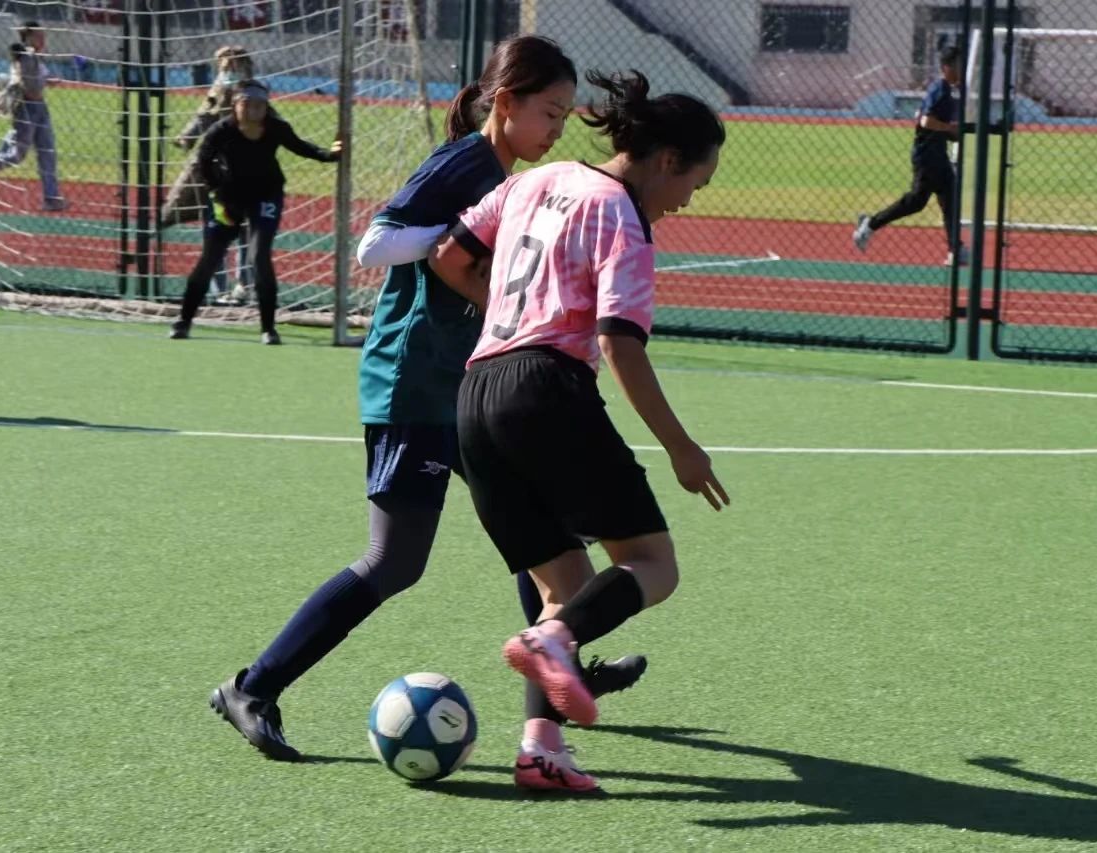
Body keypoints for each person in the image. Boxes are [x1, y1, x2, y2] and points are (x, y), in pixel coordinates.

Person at [208, 37, 645, 768]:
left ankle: (562, 661)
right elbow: (376, 245)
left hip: (467, 383)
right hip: (414, 382)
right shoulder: (465, 164)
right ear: (506, 102)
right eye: (549, 111)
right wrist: (457, 244)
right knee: (396, 560)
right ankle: (252, 687)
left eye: (566, 116)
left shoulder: (502, 173)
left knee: (538, 528)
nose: (557, 128)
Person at [430, 69, 729, 793]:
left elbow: (449, 256)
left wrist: (512, 318)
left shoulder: (535, 180)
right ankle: (554, 642)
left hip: (477, 394)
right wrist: (681, 448)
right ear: (667, 159)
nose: (689, 199)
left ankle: (541, 749)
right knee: (653, 564)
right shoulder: (622, 216)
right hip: (546, 391)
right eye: (695, 181)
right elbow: (620, 343)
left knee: (566, 584)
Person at [170, 80, 340, 344]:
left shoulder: (276, 127)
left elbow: (300, 146)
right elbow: (203, 162)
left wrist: (329, 154)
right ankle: (183, 321)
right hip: (227, 199)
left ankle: (268, 328)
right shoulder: (221, 130)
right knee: (210, 258)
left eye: (259, 105)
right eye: (247, 104)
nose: (253, 110)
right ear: (235, 106)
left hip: (265, 196)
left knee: (259, 256)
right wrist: (217, 193)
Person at [853, 45, 966, 266]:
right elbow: (925, 120)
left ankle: (956, 249)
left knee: (950, 200)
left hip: (939, 154)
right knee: (916, 201)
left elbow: (935, 121)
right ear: (947, 67)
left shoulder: (953, 90)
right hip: (926, 155)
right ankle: (870, 224)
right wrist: (950, 129)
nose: (962, 69)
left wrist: (952, 134)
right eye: (959, 65)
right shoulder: (940, 88)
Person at [162, 46, 257, 304]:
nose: (225, 70)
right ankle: (224, 289)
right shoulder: (222, 89)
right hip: (219, 170)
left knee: (242, 229)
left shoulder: (251, 91)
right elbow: (205, 116)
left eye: (228, 65)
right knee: (219, 227)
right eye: (223, 66)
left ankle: (242, 286)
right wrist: (187, 137)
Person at [0, 21, 65, 211]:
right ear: (28, 37)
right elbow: (29, 85)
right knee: (16, 155)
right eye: (39, 36)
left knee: (47, 153)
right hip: (27, 109)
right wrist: (43, 79)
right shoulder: (26, 56)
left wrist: (48, 80)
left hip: (40, 108)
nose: (43, 40)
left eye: (43, 36)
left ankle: (51, 198)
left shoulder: (35, 57)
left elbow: (36, 80)